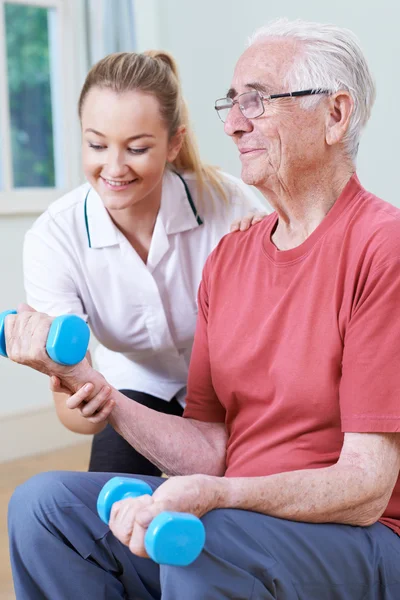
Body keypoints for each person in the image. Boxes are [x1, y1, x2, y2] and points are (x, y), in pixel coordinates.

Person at [6, 17, 400, 600]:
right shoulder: (230, 258)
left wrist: (220, 496)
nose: (234, 123)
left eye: (258, 102)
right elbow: (211, 446)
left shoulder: (382, 246)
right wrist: (96, 389)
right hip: (238, 525)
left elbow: (367, 486)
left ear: (335, 117)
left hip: (354, 538)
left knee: (200, 538)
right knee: (45, 509)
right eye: (232, 102)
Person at [23, 49, 266, 475]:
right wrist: (90, 402)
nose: (113, 167)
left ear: (174, 143)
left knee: (255, 508)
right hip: (134, 387)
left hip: (236, 389)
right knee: (107, 513)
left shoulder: (228, 204)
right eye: (96, 144)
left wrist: (268, 252)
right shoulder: (53, 238)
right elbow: (72, 414)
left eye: (136, 148)